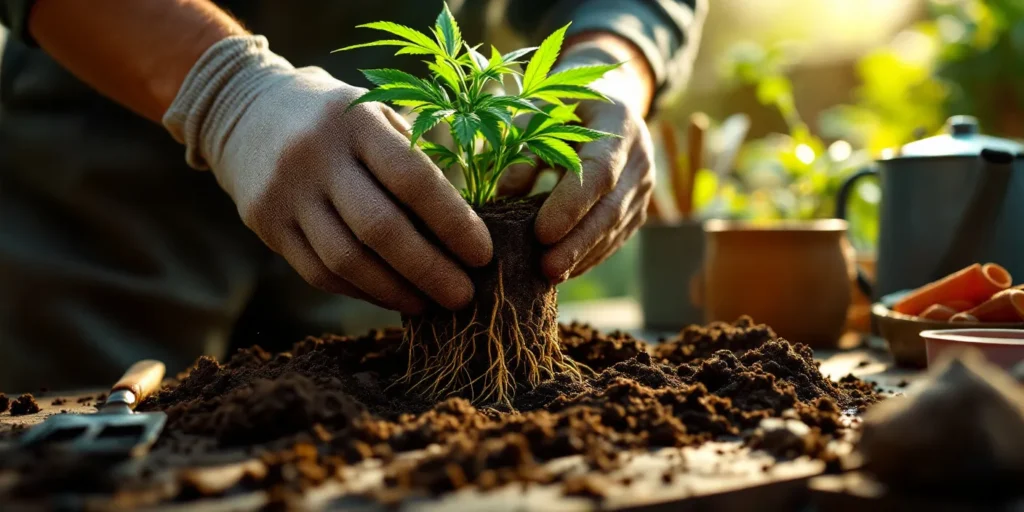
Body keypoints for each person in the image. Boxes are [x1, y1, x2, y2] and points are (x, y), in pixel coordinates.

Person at [0, 0, 706, 391]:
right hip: (102, 184)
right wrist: (221, 90)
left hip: (382, 206)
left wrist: (615, 58)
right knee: (77, 449)